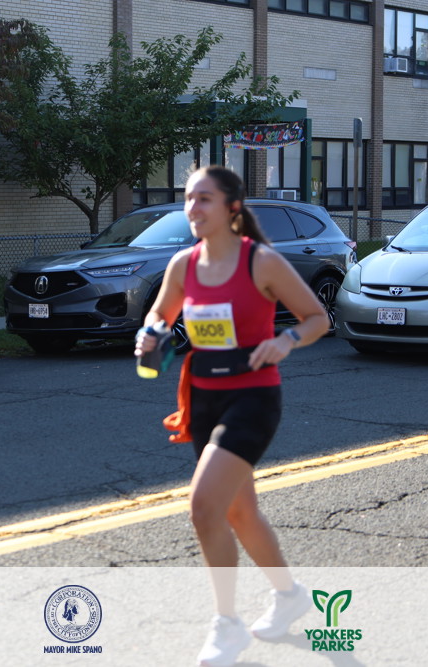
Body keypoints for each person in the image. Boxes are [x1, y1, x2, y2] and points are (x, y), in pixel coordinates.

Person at [135, 165, 329, 667]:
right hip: (203, 397)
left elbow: (317, 318)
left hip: (253, 397)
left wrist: (286, 340)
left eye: (204, 199)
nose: (193, 208)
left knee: (205, 507)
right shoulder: (184, 264)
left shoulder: (261, 261)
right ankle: (289, 596)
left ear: (232, 208)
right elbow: (161, 313)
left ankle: (227, 624)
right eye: (189, 198)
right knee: (239, 513)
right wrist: (151, 332)